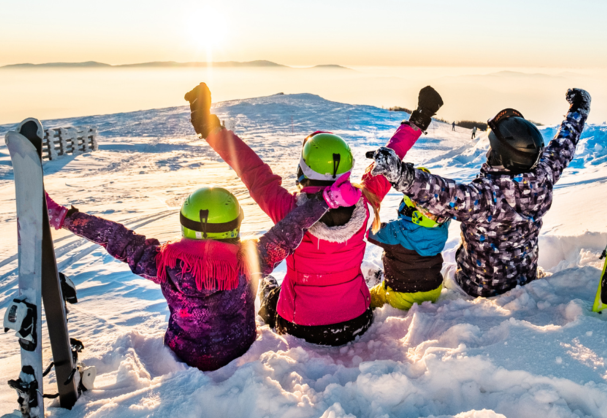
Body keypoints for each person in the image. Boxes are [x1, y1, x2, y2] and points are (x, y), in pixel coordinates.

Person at [185, 83, 443, 345]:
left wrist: (209, 128)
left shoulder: (288, 212)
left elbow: (252, 170)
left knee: (269, 289)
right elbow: (390, 159)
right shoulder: (365, 203)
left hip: (300, 326)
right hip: (356, 319)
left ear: (304, 169)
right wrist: (419, 118)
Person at [43, 180, 359, 371]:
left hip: (185, 353)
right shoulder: (250, 260)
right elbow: (290, 230)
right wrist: (325, 201)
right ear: (234, 224)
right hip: (239, 349)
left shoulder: (163, 261)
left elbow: (115, 237)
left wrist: (64, 217)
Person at [367, 89, 590, 298]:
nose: (488, 151)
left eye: (492, 148)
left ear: (502, 156)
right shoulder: (543, 175)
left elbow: (441, 194)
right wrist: (578, 109)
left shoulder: (486, 197)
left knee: (442, 278)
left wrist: (399, 173)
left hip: (478, 287)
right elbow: (563, 145)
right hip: (525, 277)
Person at [367, 167, 450, 310]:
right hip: (434, 290)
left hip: (401, 296)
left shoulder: (395, 231)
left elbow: (370, 231)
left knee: (370, 297)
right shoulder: (441, 228)